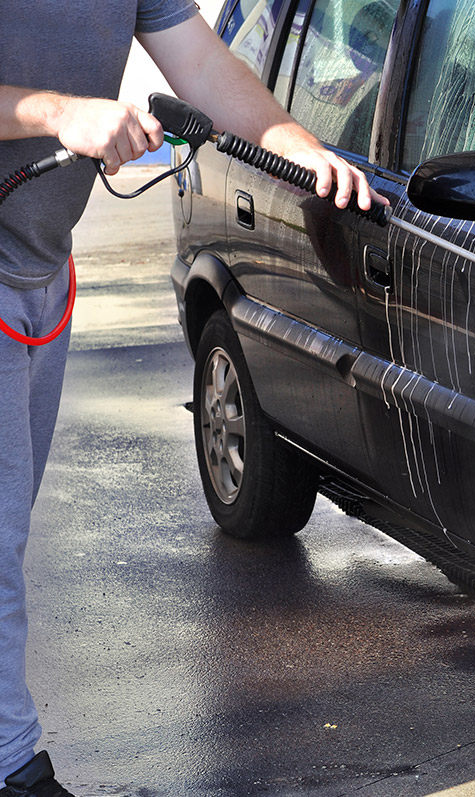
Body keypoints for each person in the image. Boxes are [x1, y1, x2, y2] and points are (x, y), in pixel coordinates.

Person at [0, 2, 387, 794]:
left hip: (39, 272)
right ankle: (12, 765)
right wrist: (59, 113)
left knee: (8, 525)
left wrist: (301, 150)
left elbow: (209, 74)